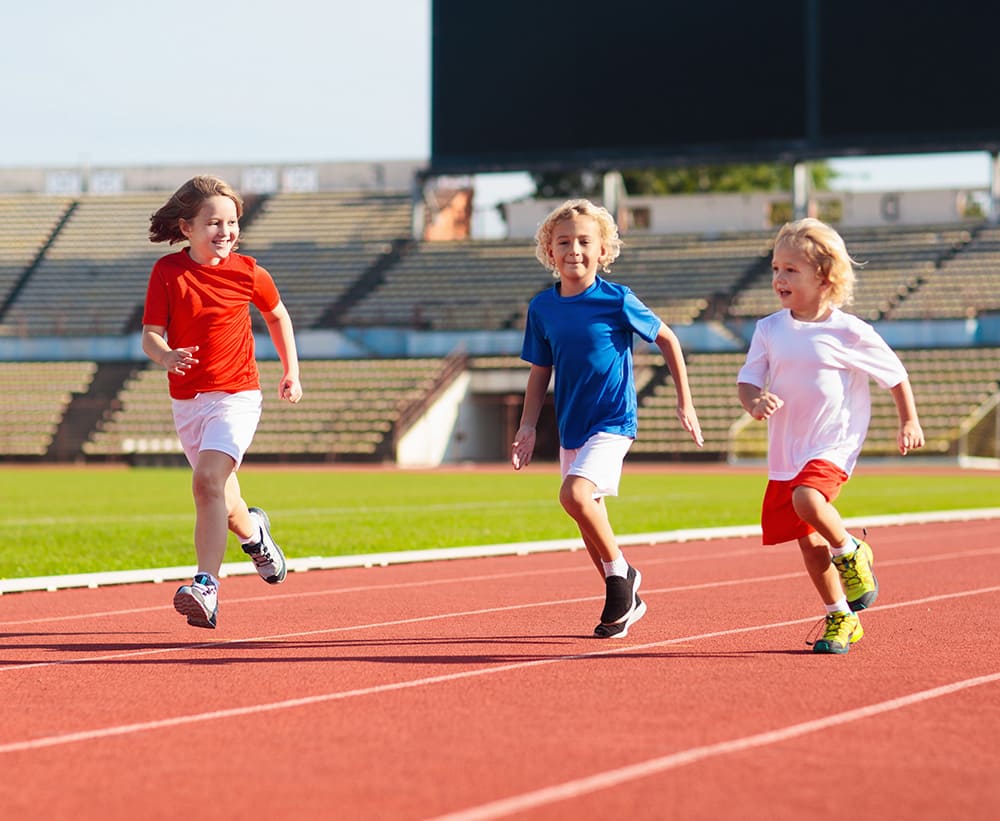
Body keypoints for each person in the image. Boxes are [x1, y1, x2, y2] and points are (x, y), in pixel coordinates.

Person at [511, 199, 704, 638]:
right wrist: (527, 425)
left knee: (574, 495)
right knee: (586, 516)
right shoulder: (542, 308)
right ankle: (623, 602)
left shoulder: (616, 299)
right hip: (571, 425)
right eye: (564, 242)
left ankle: (623, 576)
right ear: (549, 250)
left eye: (584, 241)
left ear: (602, 251)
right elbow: (541, 371)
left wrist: (685, 402)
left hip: (613, 421)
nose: (574, 249)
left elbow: (669, 340)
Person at [737, 217, 924, 654]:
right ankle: (840, 616)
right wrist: (753, 401)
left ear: (825, 278)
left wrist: (908, 421)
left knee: (808, 500)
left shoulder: (850, 331)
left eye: (790, 270)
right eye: (775, 268)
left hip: (833, 443)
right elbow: (748, 379)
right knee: (807, 541)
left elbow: (896, 376)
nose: (778, 278)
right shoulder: (768, 329)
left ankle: (852, 550)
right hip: (787, 449)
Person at [142, 175, 303, 629]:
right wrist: (165, 355)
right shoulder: (167, 273)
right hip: (188, 402)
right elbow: (150, 336)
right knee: (224, 500)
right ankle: (256, 537)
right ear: (187, 227)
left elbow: (276, 314)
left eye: (231, 222)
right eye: (213, 222)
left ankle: (206, 587)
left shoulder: (249, 271)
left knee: (205, 482)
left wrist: (291, 370)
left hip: (236, 395)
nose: (225, 231)